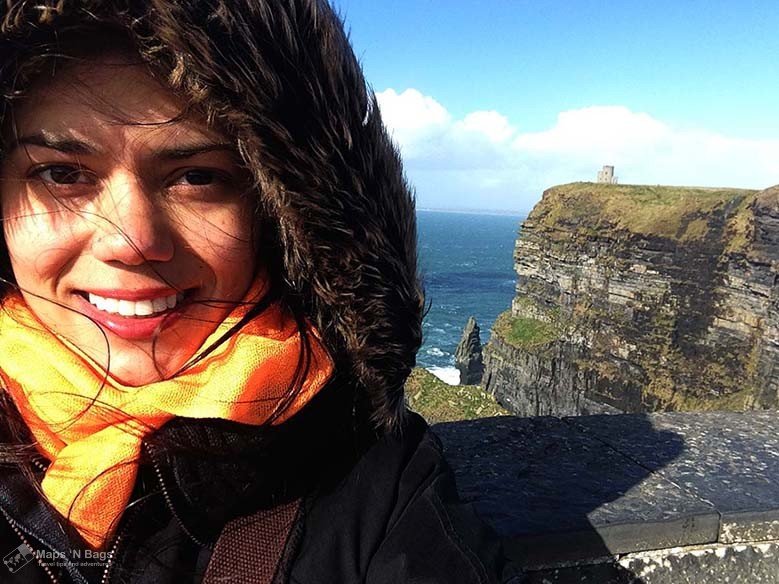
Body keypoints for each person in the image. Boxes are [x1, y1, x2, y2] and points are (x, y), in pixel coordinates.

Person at [0, 1, 510, 582]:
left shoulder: (371, 484)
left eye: (198, 177)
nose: (133, 240)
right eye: (62, 173)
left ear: (273, 217)